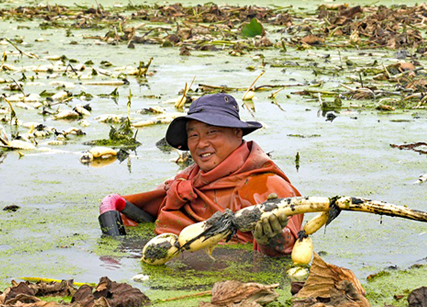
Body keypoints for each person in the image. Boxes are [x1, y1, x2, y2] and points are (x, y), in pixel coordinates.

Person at [99, 93, 303, 256]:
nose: (201, 143)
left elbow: (287, 247)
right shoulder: (184, 182)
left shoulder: (267, 185)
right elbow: (129, 210)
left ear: (237, 133)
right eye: (194, 135)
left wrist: (272, 239)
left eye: (211, 132)